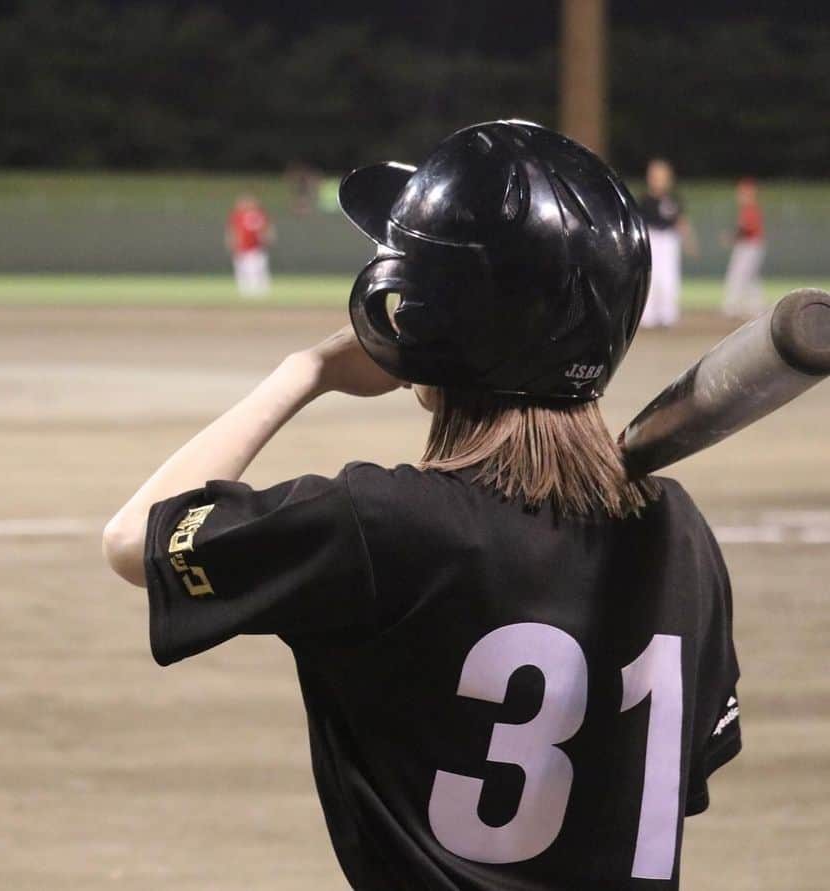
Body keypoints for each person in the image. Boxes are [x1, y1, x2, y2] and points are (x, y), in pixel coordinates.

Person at [103, 122, 740, 889]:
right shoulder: (678, 532)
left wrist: (305, 370)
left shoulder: (383, 525)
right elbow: (677, 783)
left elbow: (134, 537)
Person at [639, 159, 697, 329]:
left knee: (668, 277)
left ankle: (667, 315)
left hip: (669, 240)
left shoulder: (673, 199)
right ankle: (647, 316)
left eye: (662, 176)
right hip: (651, 238)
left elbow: (682, 221)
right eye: (655, 176)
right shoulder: (644, 199)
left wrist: (688, 241)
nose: (658, 179)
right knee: (651, 276)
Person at [723, 177, 766, 319]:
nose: (739, 196)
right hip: (751, 246)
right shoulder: (749, 209)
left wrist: (731, 238)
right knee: (751, 278)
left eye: (742, 193)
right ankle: (756, 308)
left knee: (737, 275)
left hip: (749, 247)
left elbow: (744, 230)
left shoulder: (750, 210)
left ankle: (732, 306)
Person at [226, 193, 274, 297]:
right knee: (243, 272)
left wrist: (267, 237)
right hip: (243, 248)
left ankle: (260, 293)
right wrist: (233, 243)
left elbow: (266, 230)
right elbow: (234, 231)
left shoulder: (260, 214)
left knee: (258, 271)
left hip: (256, 248)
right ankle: (246, 293)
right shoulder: (238, 215)